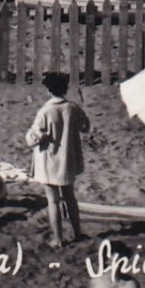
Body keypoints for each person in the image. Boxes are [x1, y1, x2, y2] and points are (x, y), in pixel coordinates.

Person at [26, 71, 89, 249]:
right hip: (67, 159)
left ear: (48, 89)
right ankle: (77, 233)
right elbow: (85, 127)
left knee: (52, 201)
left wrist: (36, 137)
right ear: (66, 89)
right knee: (70, 198)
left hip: (49, 161)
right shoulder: (72, 108)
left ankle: (58, 238)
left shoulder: (45, 111)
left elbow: (33, 138)